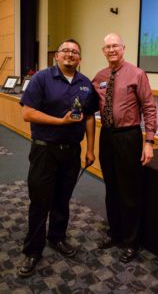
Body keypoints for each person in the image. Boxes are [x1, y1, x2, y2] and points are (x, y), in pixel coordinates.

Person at [18, 39, 97, 277]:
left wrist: (90, 149)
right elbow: (27, 113)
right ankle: (33, 250)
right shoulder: (41, 78)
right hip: (45, 150)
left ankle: (57, 237)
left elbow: (90, 117)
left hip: (71, 152)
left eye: (75, 52)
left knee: (62, 199)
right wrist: (59, 122)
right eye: (66, 51)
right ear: (57, 56)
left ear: (79, 59)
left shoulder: (85, 84)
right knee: (40, 201)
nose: (70, 54)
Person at [92, 33, 157, 263]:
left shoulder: (137, 74)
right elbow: (88, 104)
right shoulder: (99, 76)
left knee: (129, 191)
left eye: (115, 46)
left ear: (123, 48)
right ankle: (115, 233)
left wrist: (149, 141)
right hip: (107, 137)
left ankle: (131, 241)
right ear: (103, 50)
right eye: (107, 46)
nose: (111, 50)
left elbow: (149, 107)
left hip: (129, 137)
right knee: (111, 187)